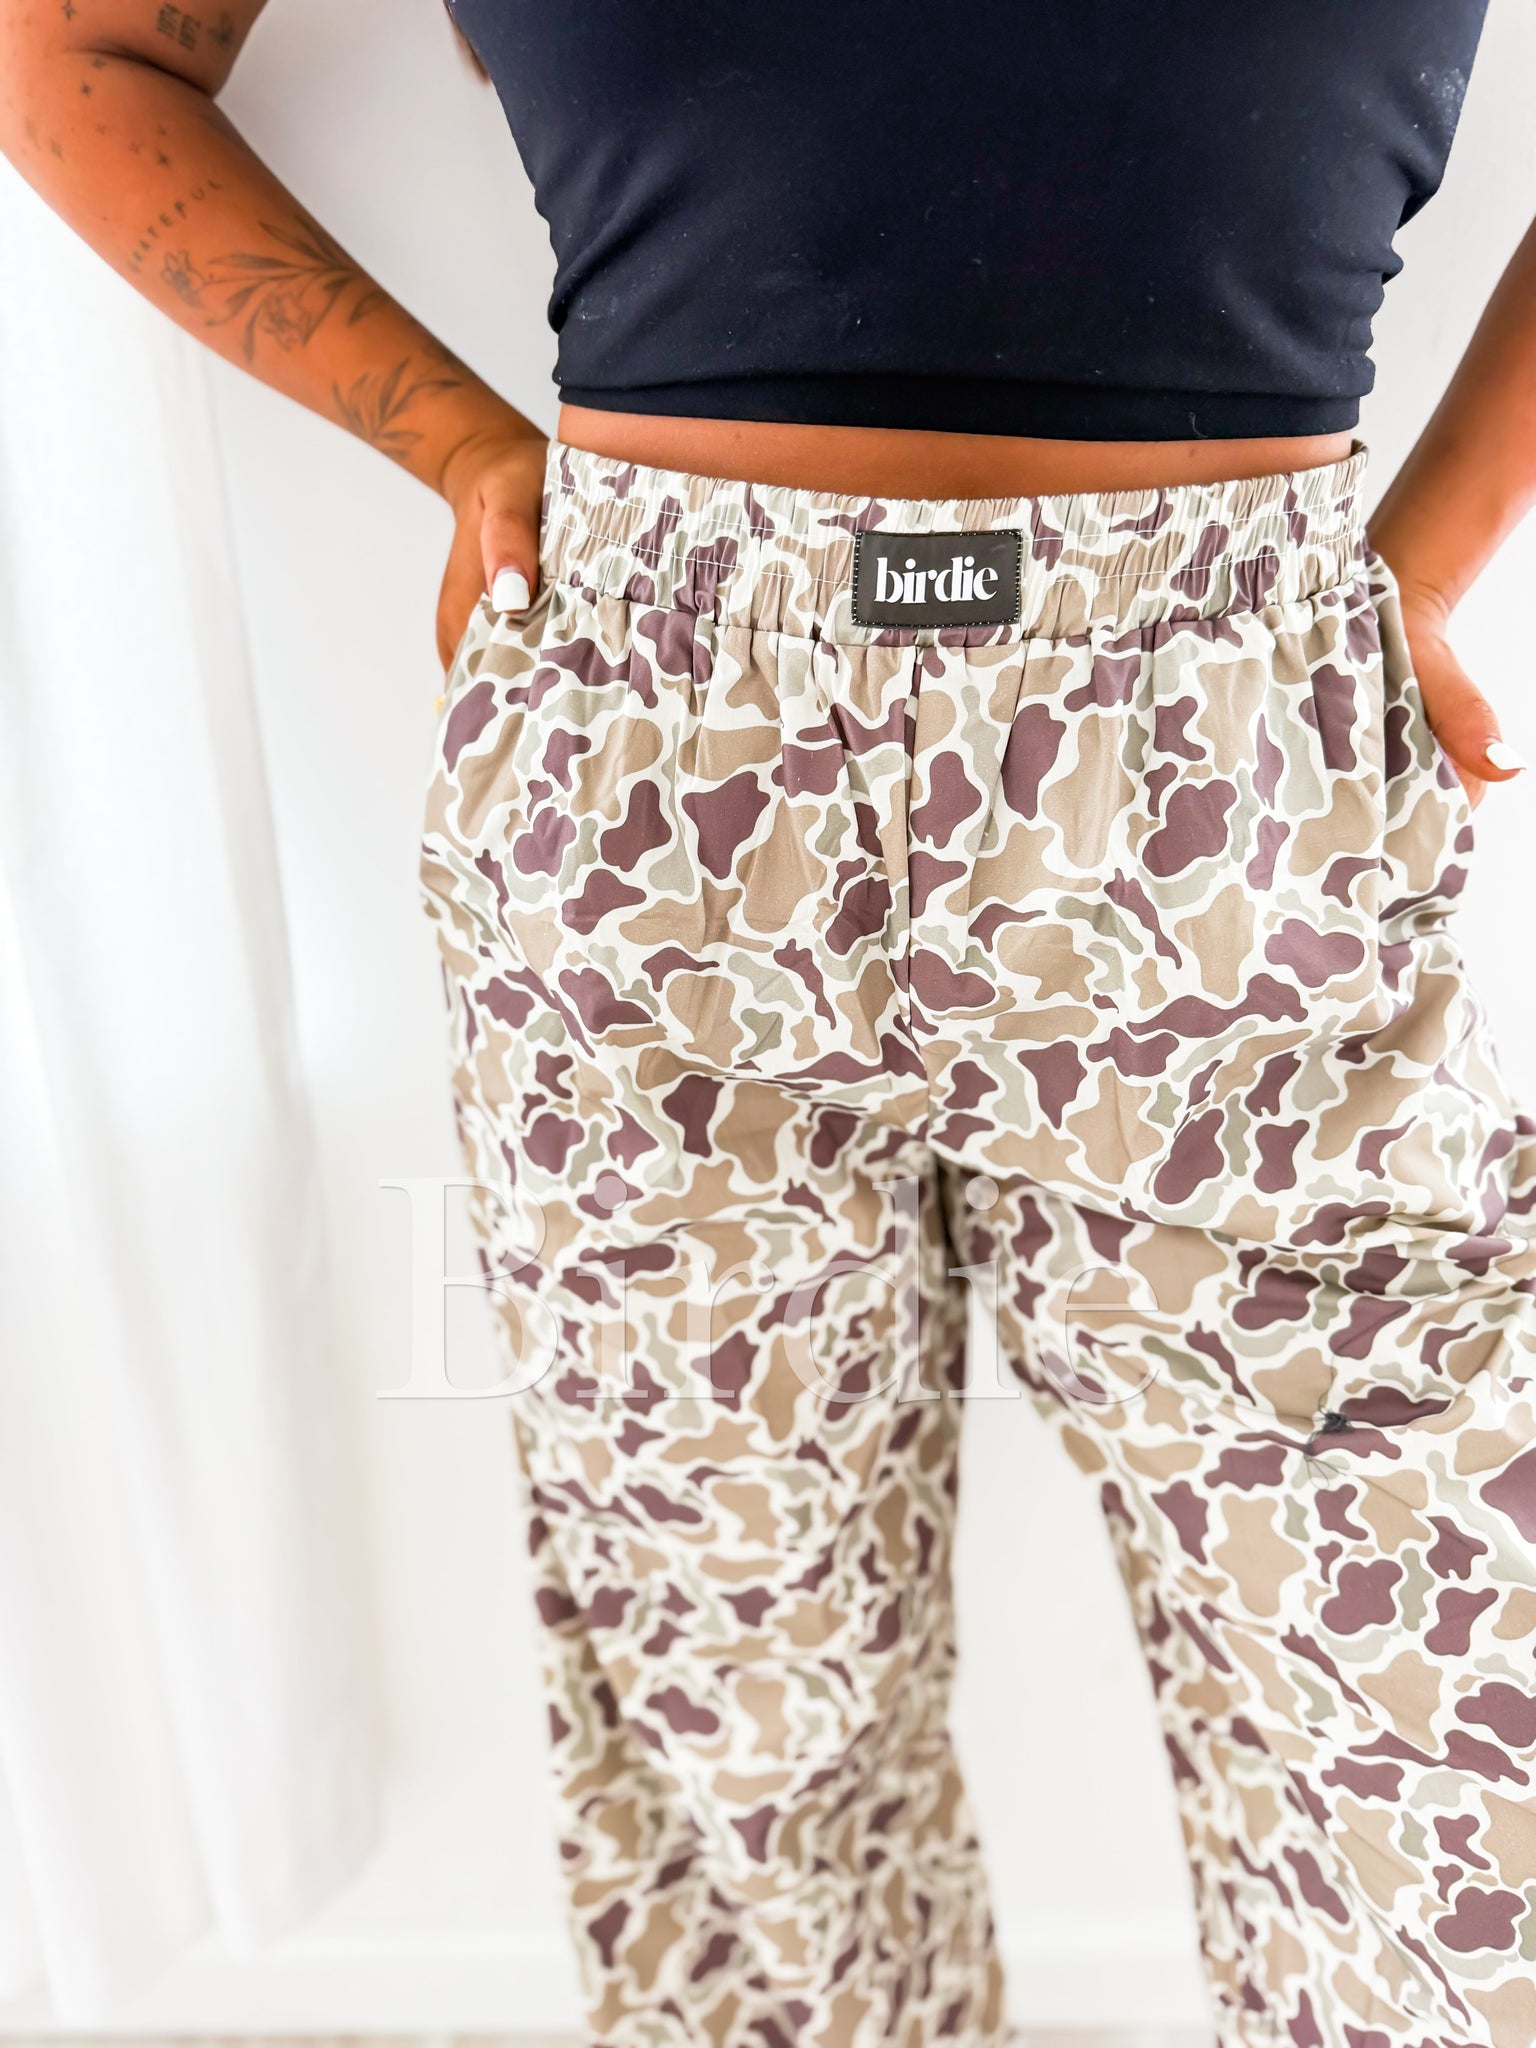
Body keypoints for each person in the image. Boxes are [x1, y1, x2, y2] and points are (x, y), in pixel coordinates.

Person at [6, 3, 1536, 2042]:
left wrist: (1408, 572)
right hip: (664, 783)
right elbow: (76, 56)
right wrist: (458, 445)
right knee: (746, 1739)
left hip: (1236, 771)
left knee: (1442, 1764)